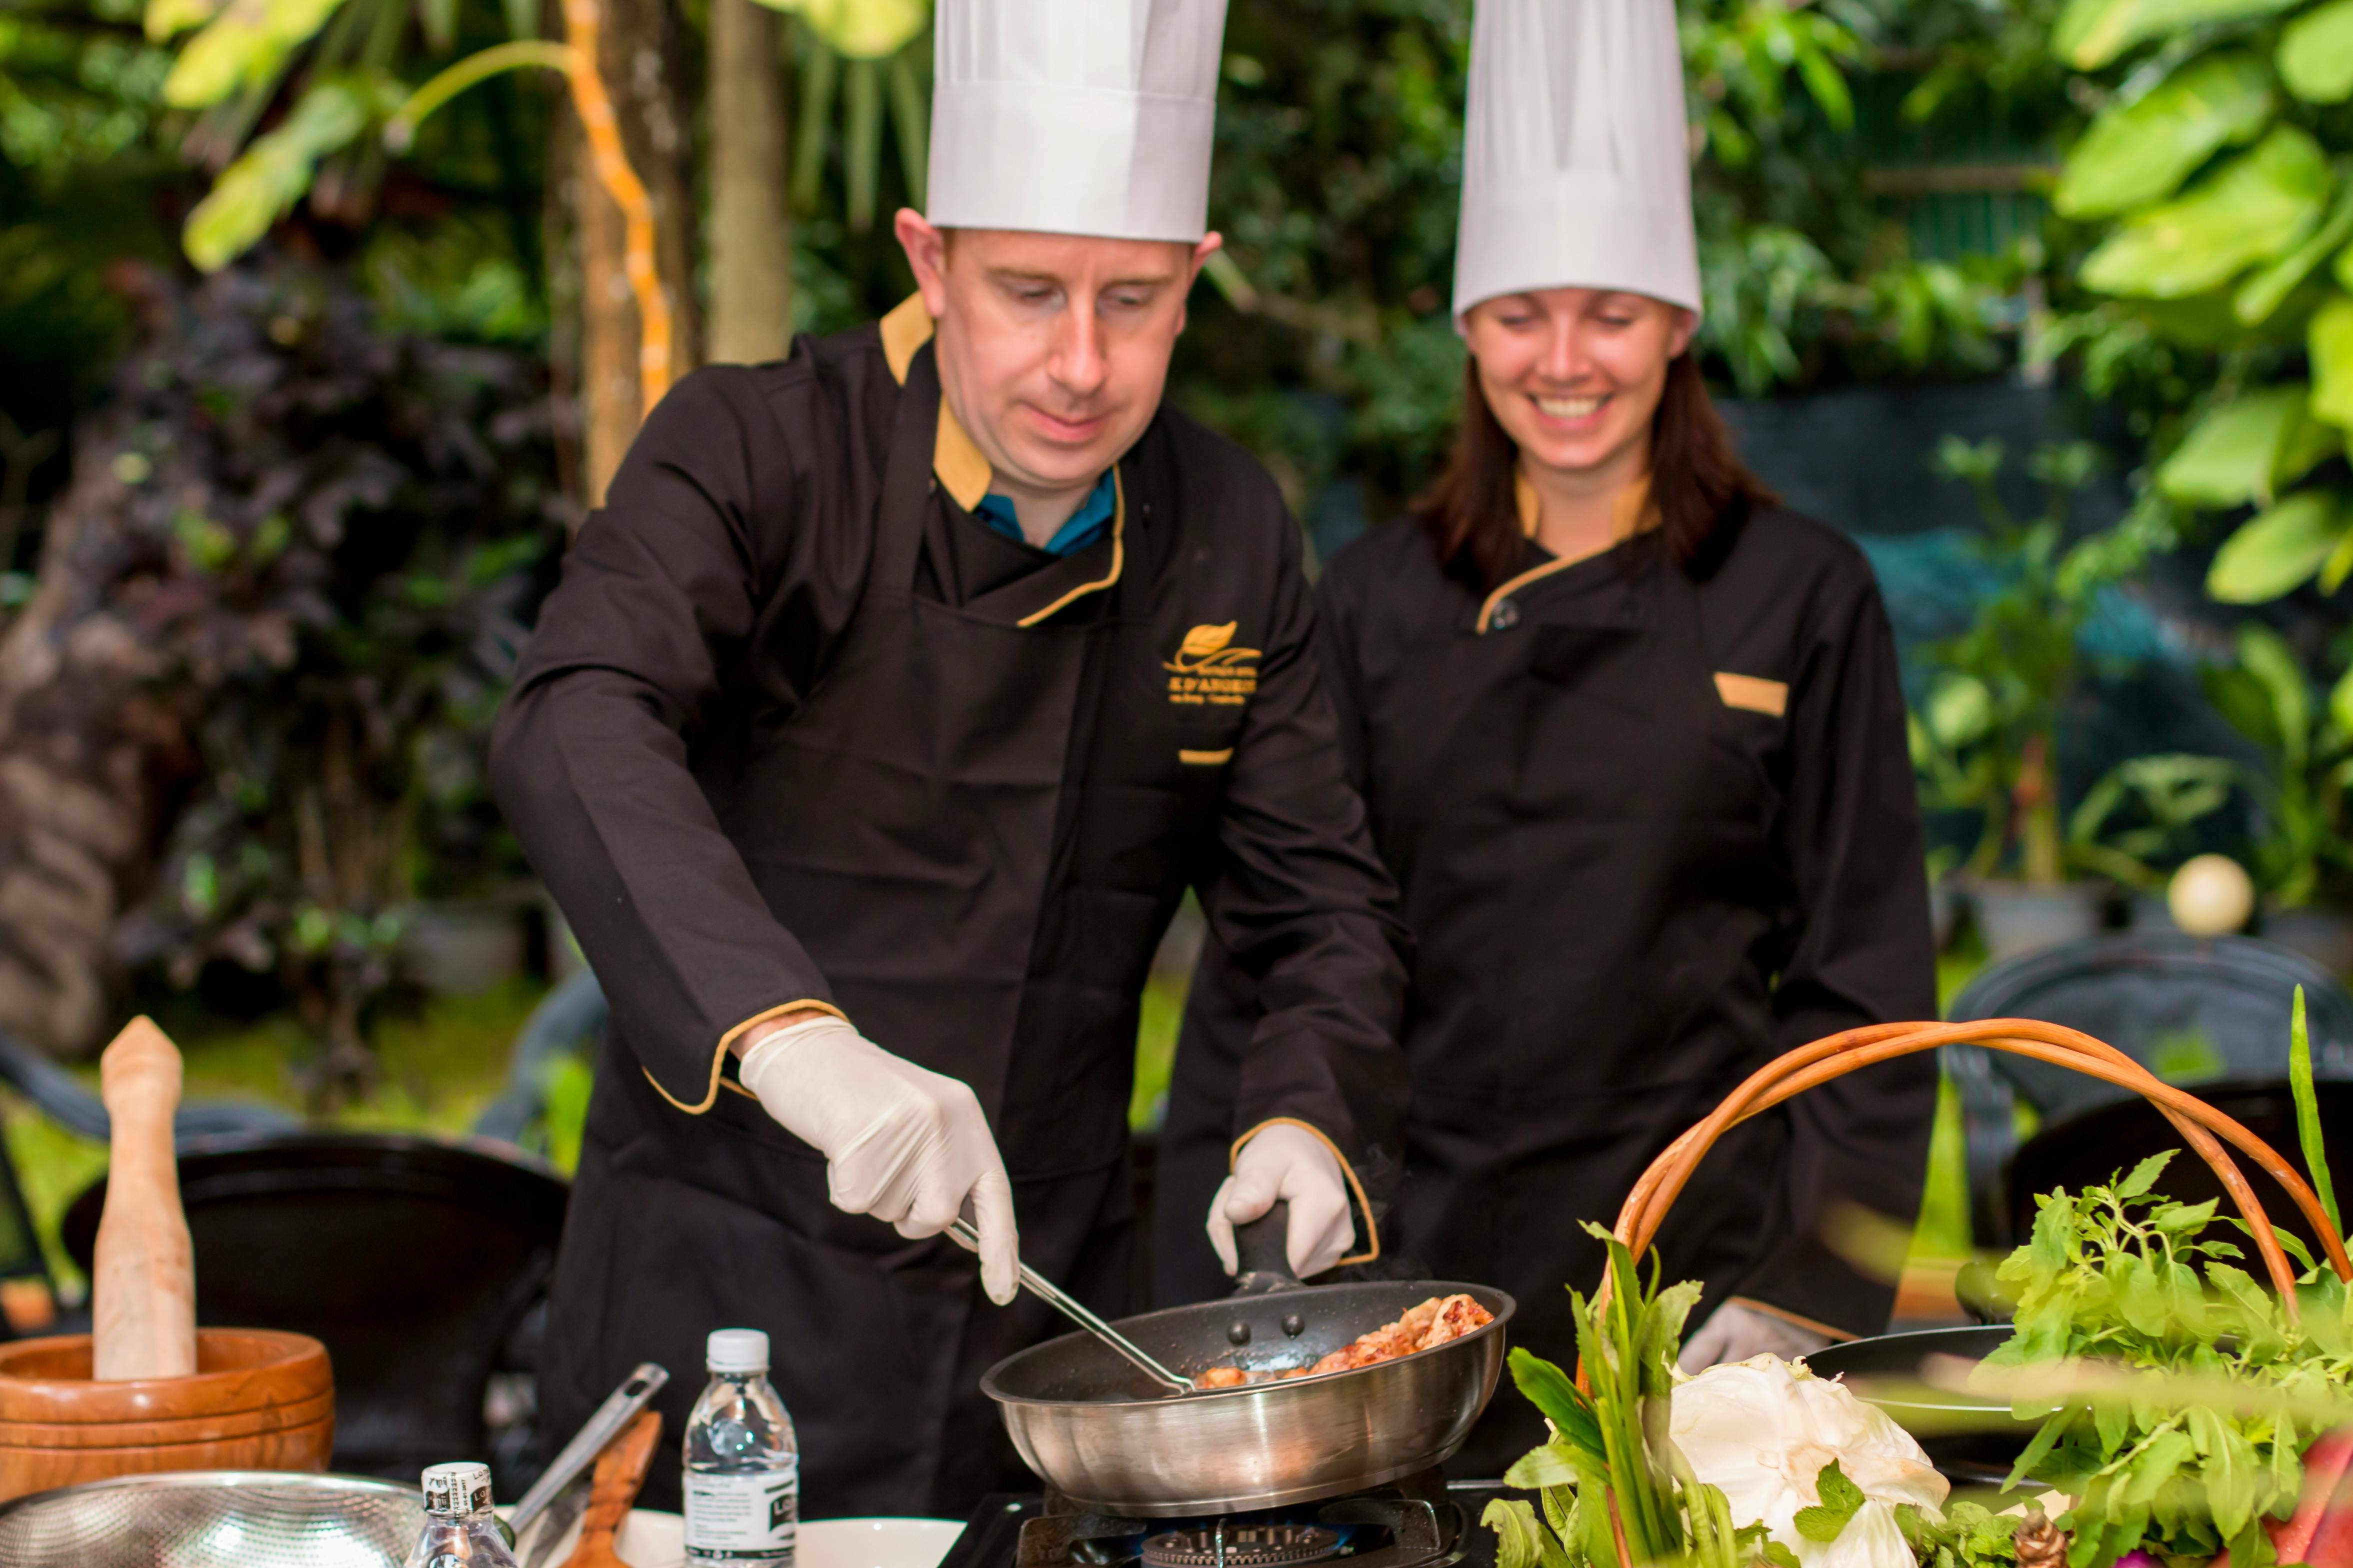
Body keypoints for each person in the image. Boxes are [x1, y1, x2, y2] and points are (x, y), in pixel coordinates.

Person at [490, 0, 1408, 1518]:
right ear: (929, 260)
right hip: (723, 1286)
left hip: (1038, 1320)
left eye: (1133, 300)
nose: (1080, 363)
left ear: (1196, 279)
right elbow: (576, 712)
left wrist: (1308, 1116)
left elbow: (1320, 905)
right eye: (1027, 292)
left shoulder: (1231, 529)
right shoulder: (756, 450)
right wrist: (800, 1046)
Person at [1152, 0, 1938, 1477]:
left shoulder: (1799, 592)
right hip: (1405, 1262)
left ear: (1680, 325)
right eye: (1521, 314)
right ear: (1466, 329)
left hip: (1698, 1275)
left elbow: (1865, 980)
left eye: (1611, 313)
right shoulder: (1374, 597)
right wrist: (1230, 1273)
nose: (1565, 359)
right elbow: (1288, 938)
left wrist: (1805, 1292)